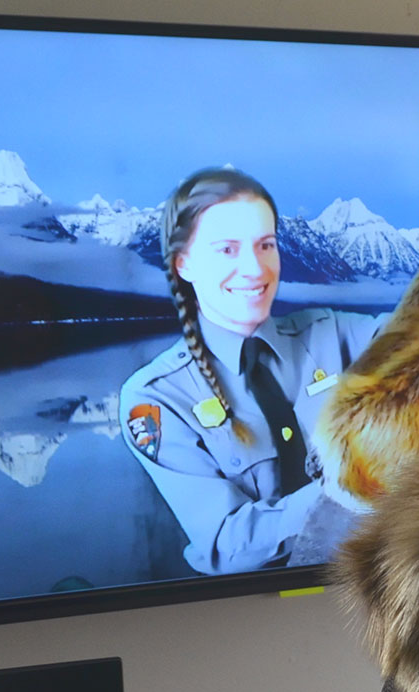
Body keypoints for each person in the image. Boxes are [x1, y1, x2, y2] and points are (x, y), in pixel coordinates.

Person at [121, 167, 382, 574]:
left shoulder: (335, 334)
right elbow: (227, 545)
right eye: (227, 249)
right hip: (247, 619)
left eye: (266, 245)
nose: (255, 269)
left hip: (375, 589)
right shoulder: (154, 399)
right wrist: (354, 489)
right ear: (184, 264)